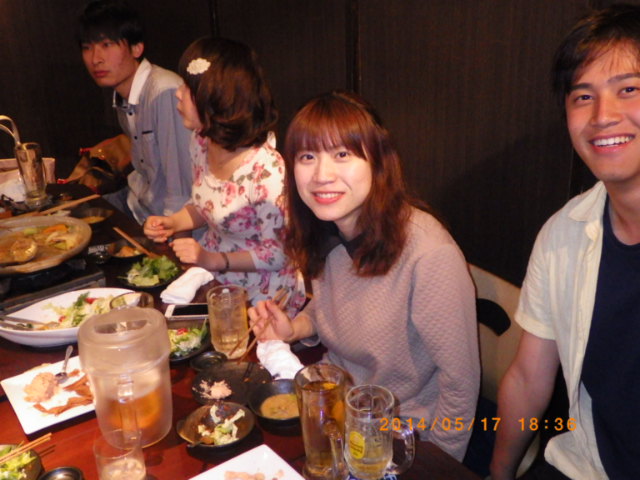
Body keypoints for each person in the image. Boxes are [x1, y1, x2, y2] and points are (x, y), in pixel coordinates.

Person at [248, 90, 480, 460]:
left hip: (401, 433)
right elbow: (335, 306)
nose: (322, 175)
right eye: (307, 156)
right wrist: (295, 329)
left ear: (378, 161)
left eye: (342, 154)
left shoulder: (429, 254)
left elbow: (461, 385)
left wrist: (441, 464)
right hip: (334, 406)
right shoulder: (328, 226)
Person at [490, 5, 640, 479]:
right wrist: (499, 475)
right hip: (584, 465)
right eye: (583, 96)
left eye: (629, 89)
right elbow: (527, 378)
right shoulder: (564, 233)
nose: (603, 116)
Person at [144, 37, 305, 311]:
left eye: (189, 88)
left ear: (219, 99)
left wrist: (211, 259)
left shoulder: (266, 171)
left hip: (263, 295)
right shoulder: (201, 140)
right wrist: (173, 222)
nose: (178, 94)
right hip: (216, 282)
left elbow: (278, 254)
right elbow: (205, 205)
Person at [76, 0, 192, 224]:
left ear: (136, 47)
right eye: (87, 47)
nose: (95, 59)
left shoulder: (164, 92)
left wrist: (170, 235)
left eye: (107, 45)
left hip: (164, 218)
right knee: (67, 219)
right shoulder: (123, 94)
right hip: (136, 201)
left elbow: (181, 189)